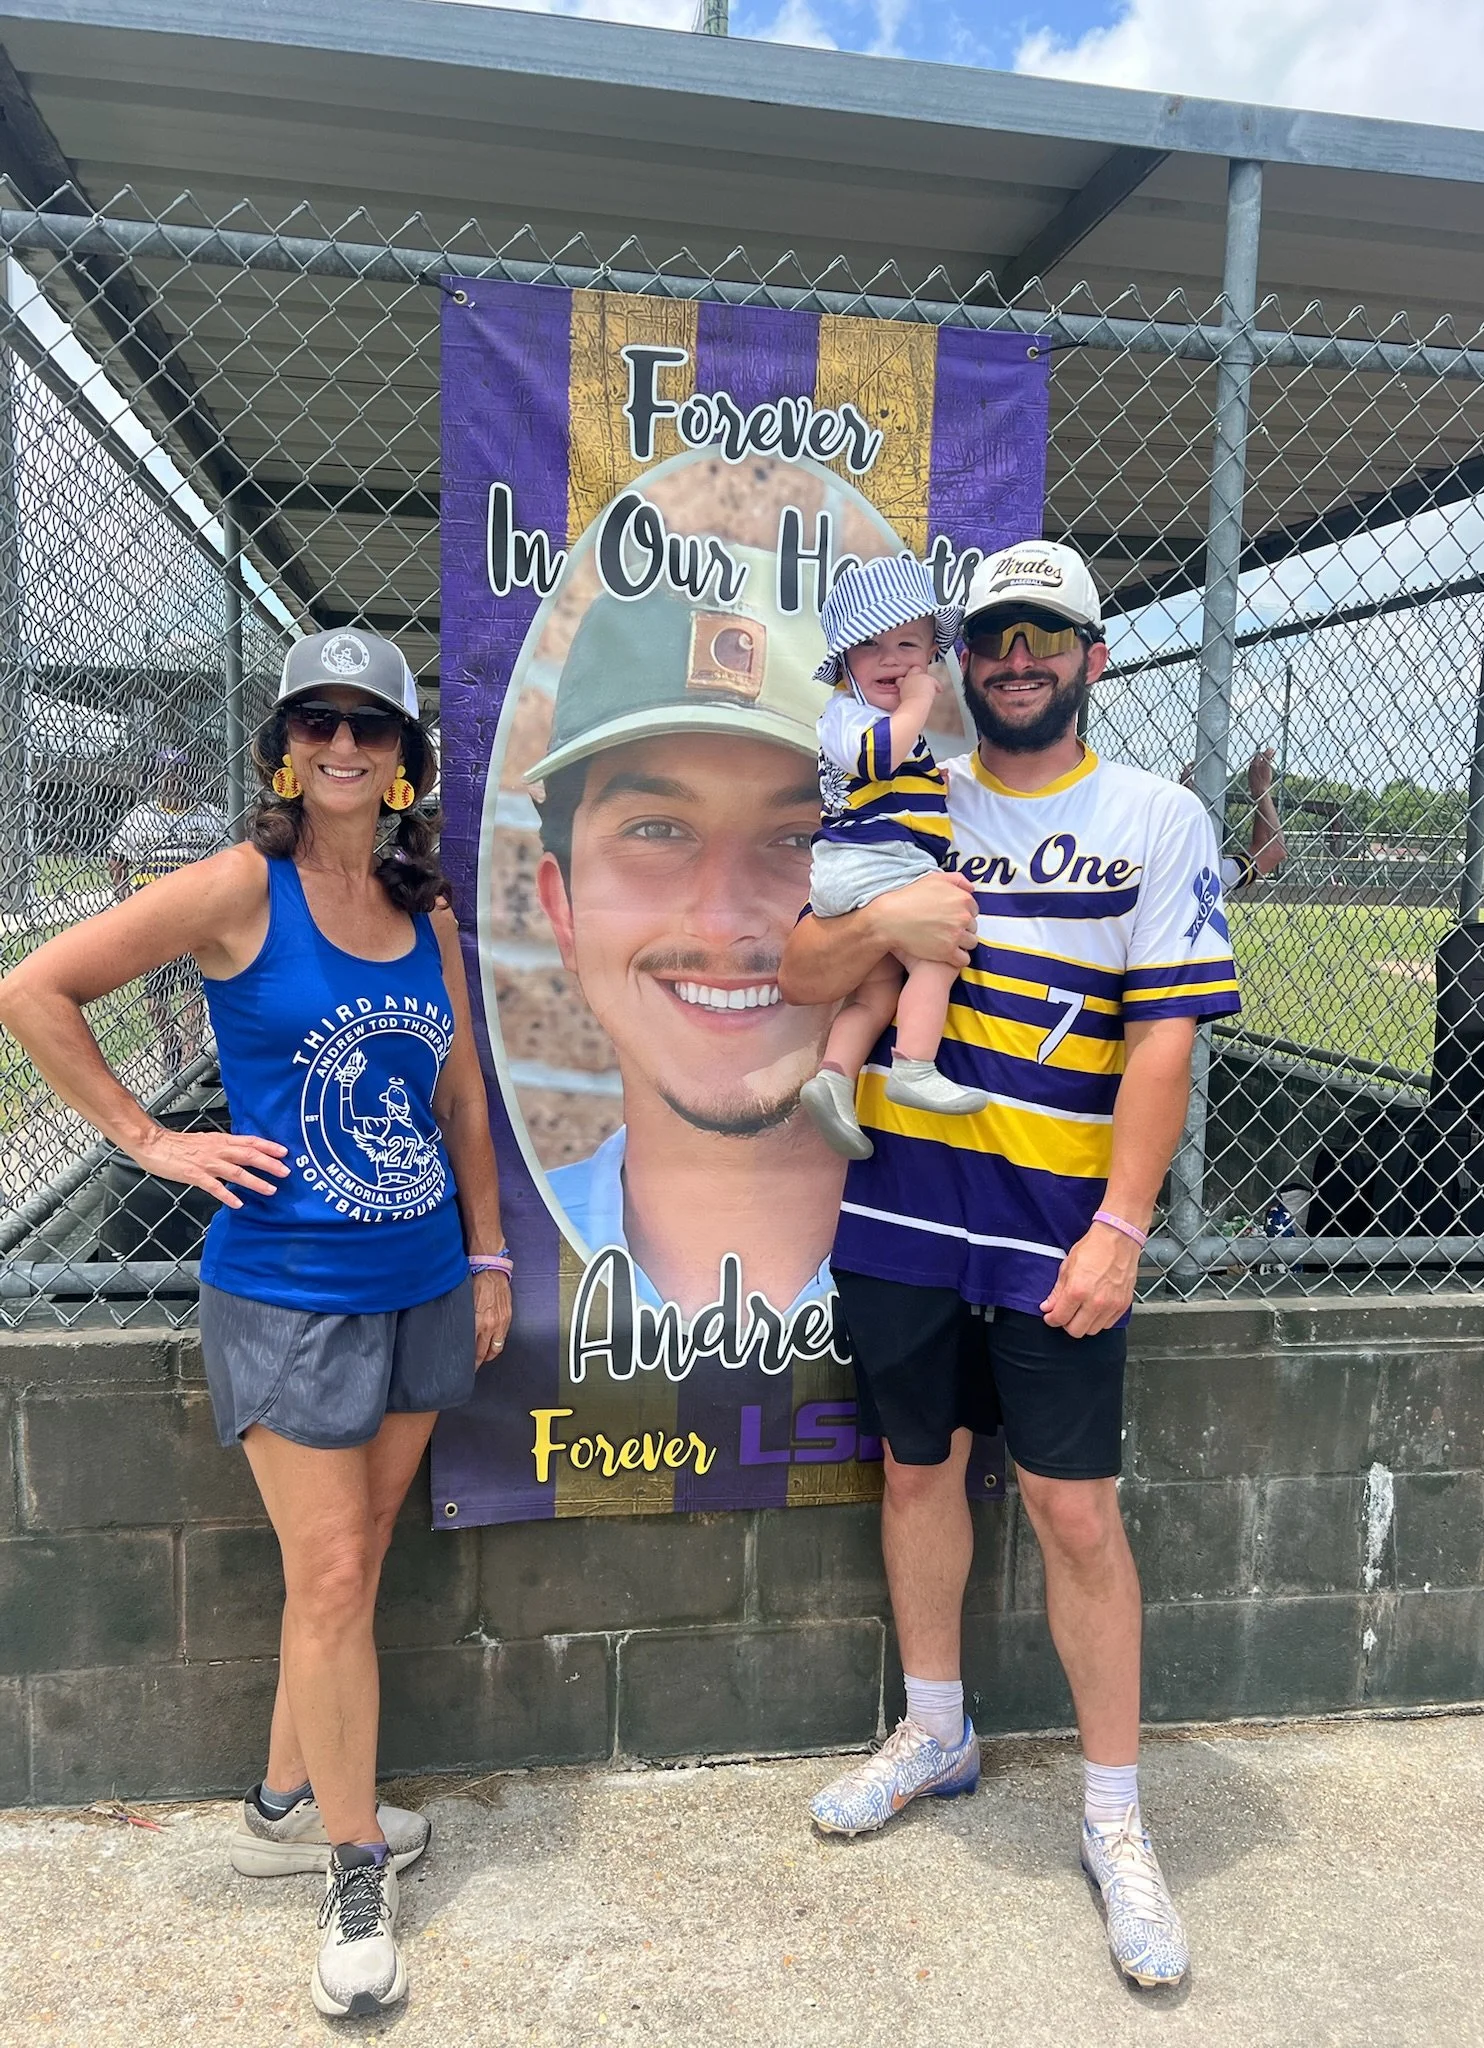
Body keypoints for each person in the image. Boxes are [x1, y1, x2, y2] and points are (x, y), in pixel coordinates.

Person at [0, 627, 512, 2022]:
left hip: (416, 1286)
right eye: (318, 722)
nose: (344, 745)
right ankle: (353, 1865)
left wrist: (486, 1255)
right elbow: (33, 992)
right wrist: (146, 1139)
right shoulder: (240, 887)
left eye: (372, 726)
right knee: (336, 1575)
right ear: (281, 748)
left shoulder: (430, 915)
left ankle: (290, 1795)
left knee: (342, 1572)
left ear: (408, 760)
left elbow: (461, 1100)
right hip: (285, 1292)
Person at [780, 539, 1241, 1990]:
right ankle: (939, 1729)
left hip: (1057, 1235)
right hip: (906, 1212)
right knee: (918, 1471)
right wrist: (883, 921)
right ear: (958, 656)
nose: (1019, 657)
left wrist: (1122, 1226)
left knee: (1075, 1513)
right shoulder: (912, 789)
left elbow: (1164, 1040)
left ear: (1094, 657)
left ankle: (1115, 1818)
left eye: (1049, 634)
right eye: (995, 637)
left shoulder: (1158, 816)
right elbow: (801, 974)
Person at [526, 553, 844, 1317]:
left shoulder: (968, 1244)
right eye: (658, 830)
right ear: (562, 908)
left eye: (801, 839)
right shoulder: (506, 1241)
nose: (722, 922)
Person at [799, 555, 986, 1160]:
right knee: (937, 954)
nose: (892, 659)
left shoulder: (897, 727)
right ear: (845, 666)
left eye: (909, 644)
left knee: (876, 995)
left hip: (874, 870)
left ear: (933, 655)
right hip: (872, 867)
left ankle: (832, 1077)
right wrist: (915, 707)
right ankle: (914, 1065)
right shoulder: (846, 717)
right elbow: (878, 759)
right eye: (870, 645)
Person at [107, 746, 229, 1079]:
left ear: (191, 774)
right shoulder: (142, 817)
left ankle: (190, 1057)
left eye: (178, 769)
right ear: (157, 774)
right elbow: (117, 859)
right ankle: (169, 1042)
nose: (171, 776)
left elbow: (228, 861)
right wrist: (127, 902)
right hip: (154, 918)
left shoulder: (211, 816)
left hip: (195, 918)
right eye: (165, 769)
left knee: (192, 987)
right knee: (155, 992)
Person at [1180, 746, 1287, 890]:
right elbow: (1274, 849)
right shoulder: (1215, 873)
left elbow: (1273, 849)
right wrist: (1261, 792)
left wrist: (1183, 799)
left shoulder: (1151, 861)